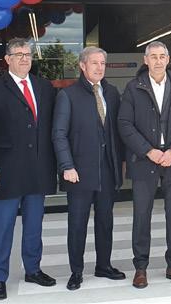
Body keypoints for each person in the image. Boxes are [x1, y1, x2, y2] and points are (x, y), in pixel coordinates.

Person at [0, 38, 57, 300]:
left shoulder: (44, 87)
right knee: (2, 227)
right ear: (7, 59)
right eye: (18, 54)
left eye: (28, 54)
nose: (24, 58)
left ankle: (33, 269)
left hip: (38, 169)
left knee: (34, 225)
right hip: (6, 171)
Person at [118, 41, 171, 288]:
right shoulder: (134, 87)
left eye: (162, 56)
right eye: (153, 56)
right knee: (142, 215)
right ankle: (140, 267)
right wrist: (148, 151)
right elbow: (124, 124)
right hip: (145, 161)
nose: (158, 60)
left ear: (168, 59)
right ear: (146, 60)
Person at [51, 47, 126, 291]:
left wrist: (121, 163)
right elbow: (59, 134)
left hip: (107, 170)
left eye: (103, 63)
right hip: (79, 172)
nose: (99, 67)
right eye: (94, 63)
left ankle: (104, 265)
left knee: (105, 221)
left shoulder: (112, 93)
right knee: (77, 224)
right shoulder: (68, 95)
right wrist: (67, 165)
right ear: (82, 66)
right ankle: (76, 271)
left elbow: (118, 131)